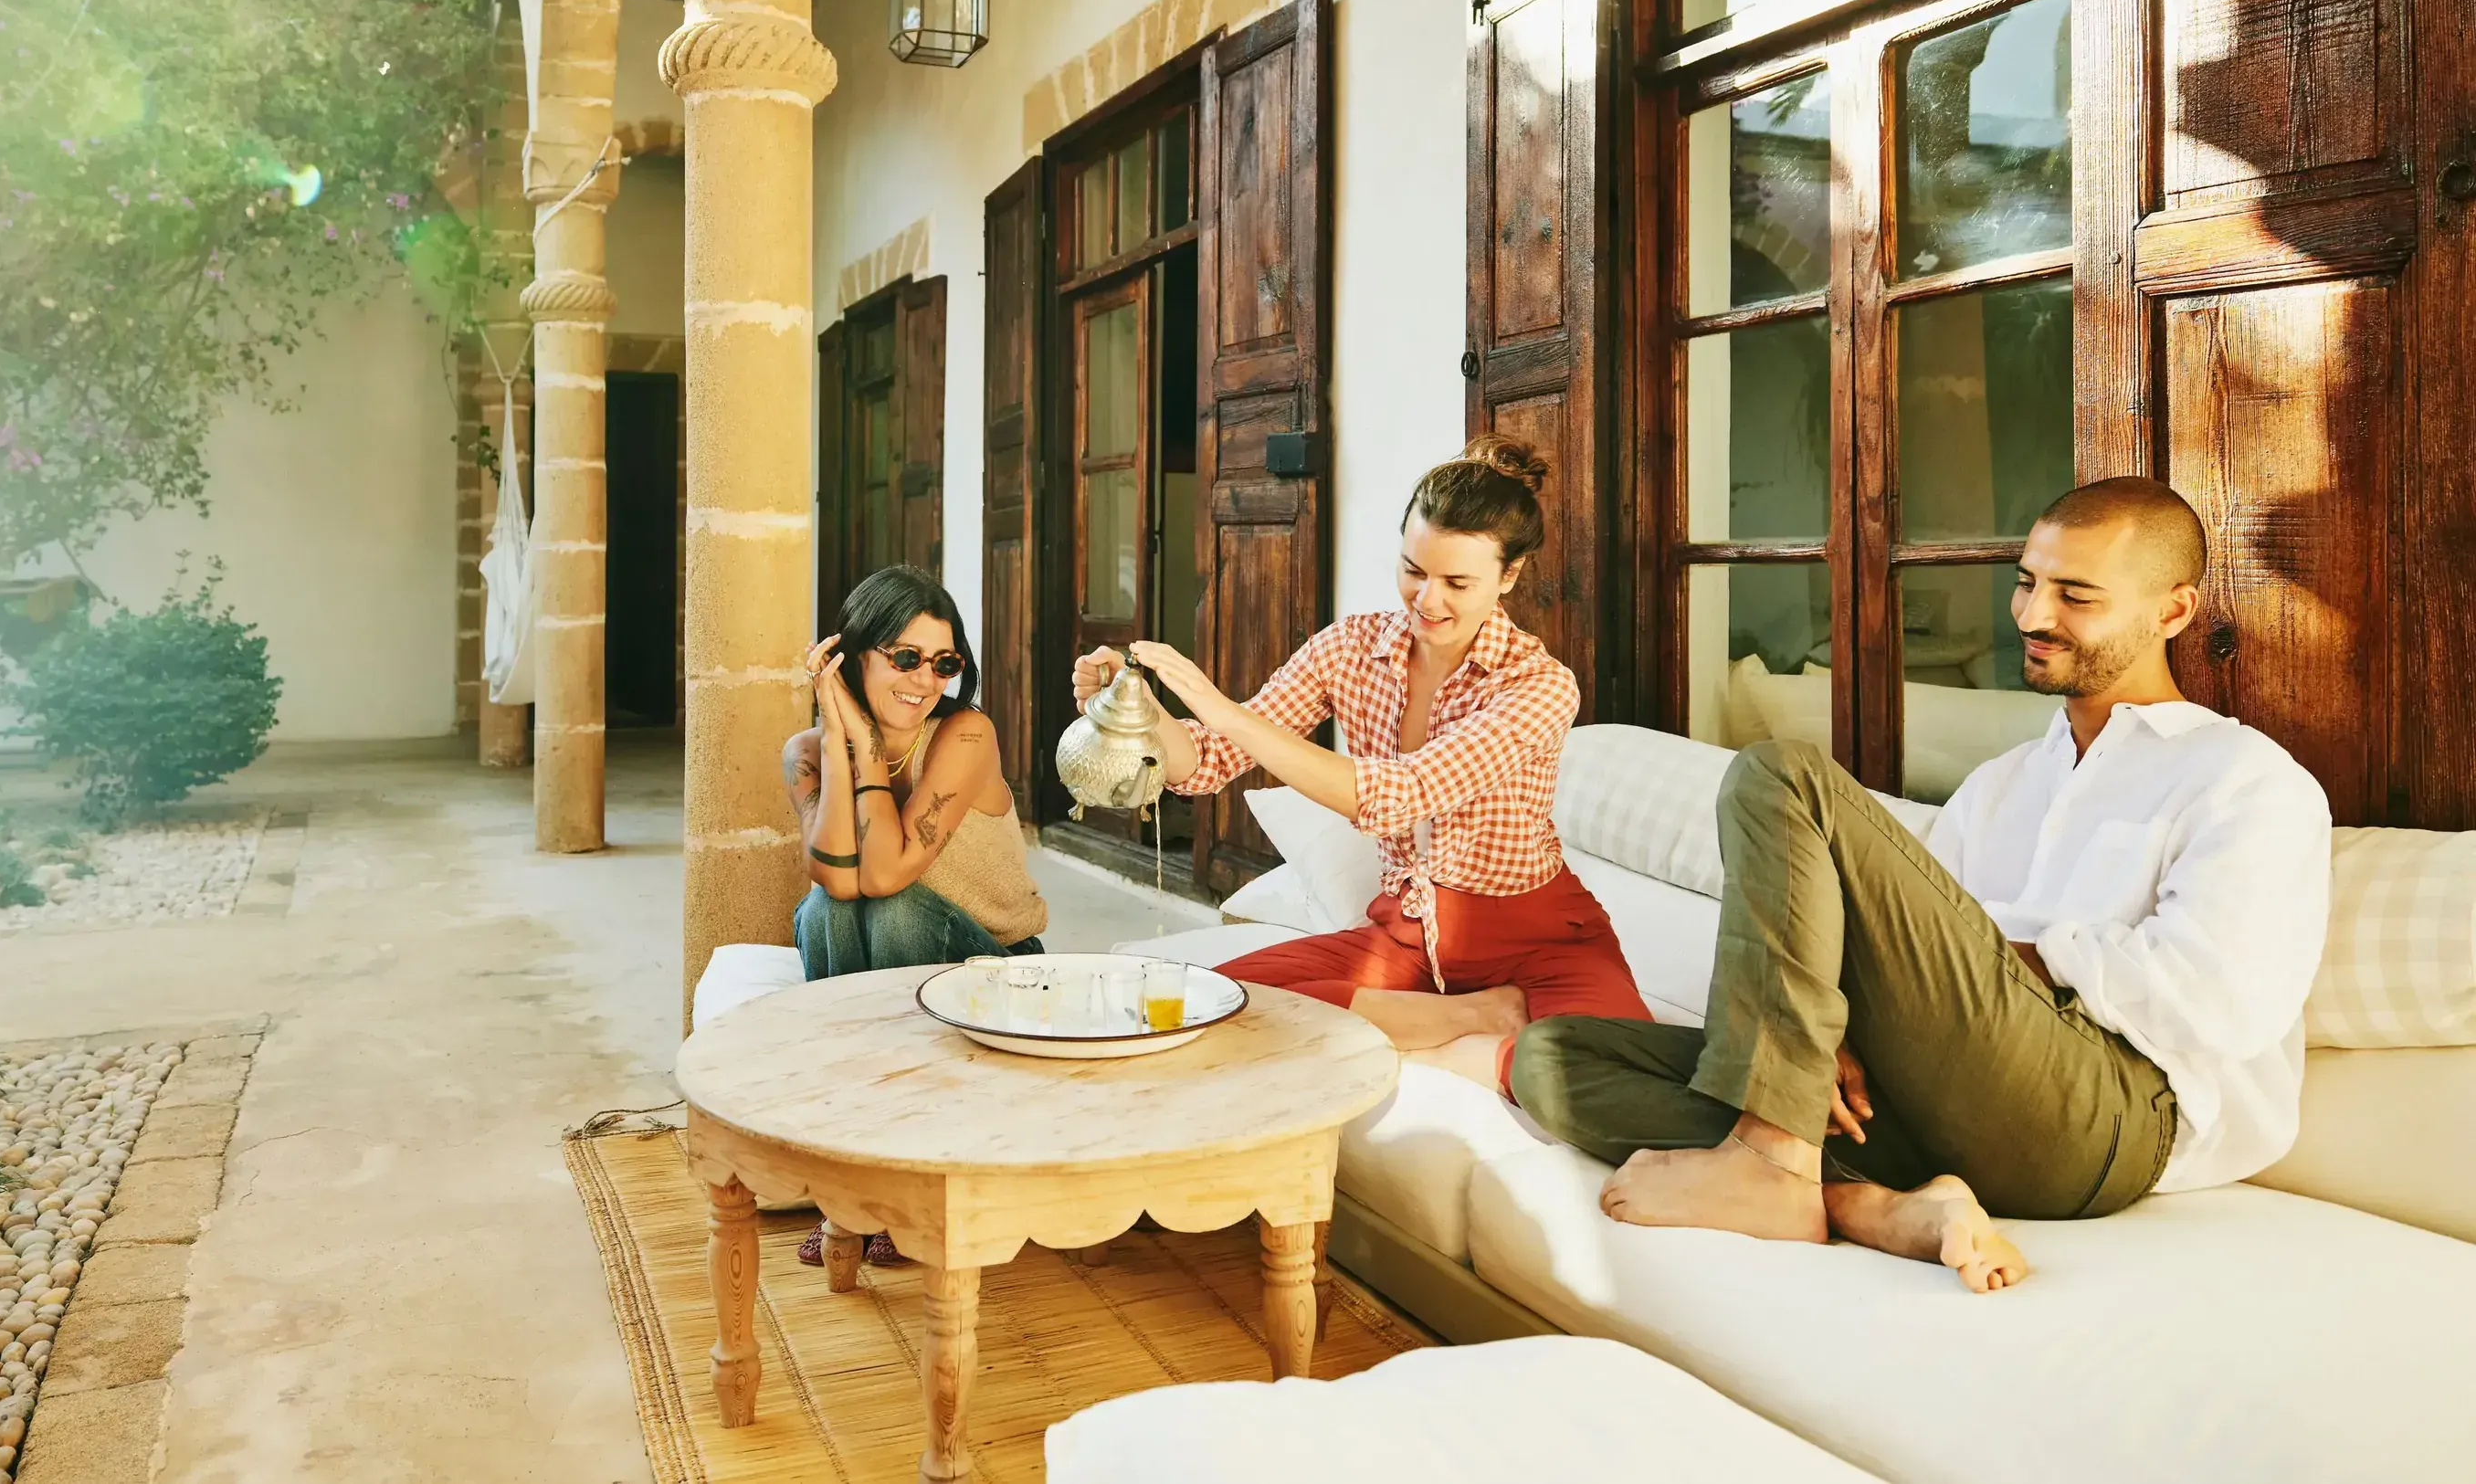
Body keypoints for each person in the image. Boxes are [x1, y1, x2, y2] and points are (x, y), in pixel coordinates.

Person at [1504, 478, 2333, 1293]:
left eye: (2076, 595)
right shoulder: (2001, 785)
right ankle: (1871, 1208)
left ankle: (1768, 1156)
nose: (2034, 618)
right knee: (1558, 1060)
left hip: (2108, 1120)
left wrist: (2015, 961)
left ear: (2173, 612)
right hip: (1941, 1112)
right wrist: (1832, 1040)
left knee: (1782, 776)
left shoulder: (2243, 779)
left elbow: (2224, 1001)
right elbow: (1920, 974)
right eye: (2026, 584)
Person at [1073, 436, 1649, 1094]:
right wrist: (1138, 712)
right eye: (1413, 570)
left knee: (1612, 1073)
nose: (1427, 600)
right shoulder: (1350, 649)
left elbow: (1404, 792)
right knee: (1221, 1004)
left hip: (1541, 941)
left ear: (1509, 576)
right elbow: (1207, 760)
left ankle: (1445, 1054)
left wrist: (1226, 708)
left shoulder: (1538, 687)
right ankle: (1474, 1017)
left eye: (1458, 582)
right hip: (1407, 938)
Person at [780, 564, 1048, 1269]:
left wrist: (867, 751)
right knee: (821, 916)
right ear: (849, 659)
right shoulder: (806, 754)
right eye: (904, 657)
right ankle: (854, 1186)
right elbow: (839, 884)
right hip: (905, 952)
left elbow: (888, 874)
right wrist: (845, 744)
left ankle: (906, 1187)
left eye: (944, 663)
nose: (925, 680)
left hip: (1004, 965)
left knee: (894, 905)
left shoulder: (966, 736)